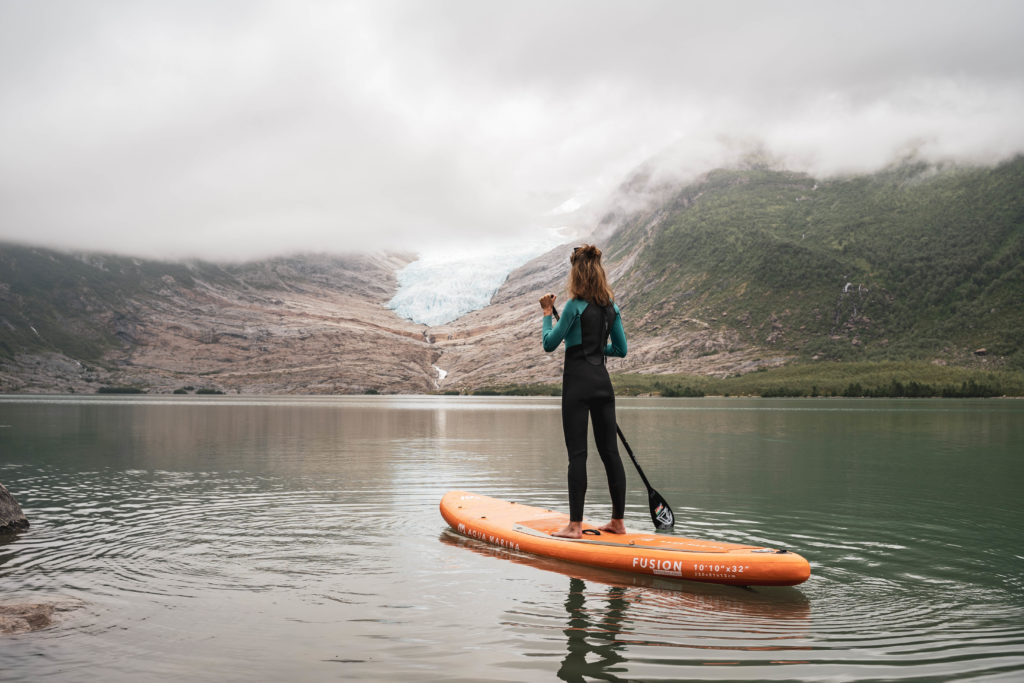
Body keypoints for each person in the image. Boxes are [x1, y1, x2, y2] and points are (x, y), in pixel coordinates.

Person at [539, 244, 628, 539]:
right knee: (610, 454)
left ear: (576, 275)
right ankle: (617, 522)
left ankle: (575, 526)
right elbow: (620, 350)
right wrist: (594, 347)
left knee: (578, 455)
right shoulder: (612, 308)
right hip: (603, 385)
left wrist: (546, 313)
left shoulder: (575, 308)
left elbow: (550, 344)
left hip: (577, 385)